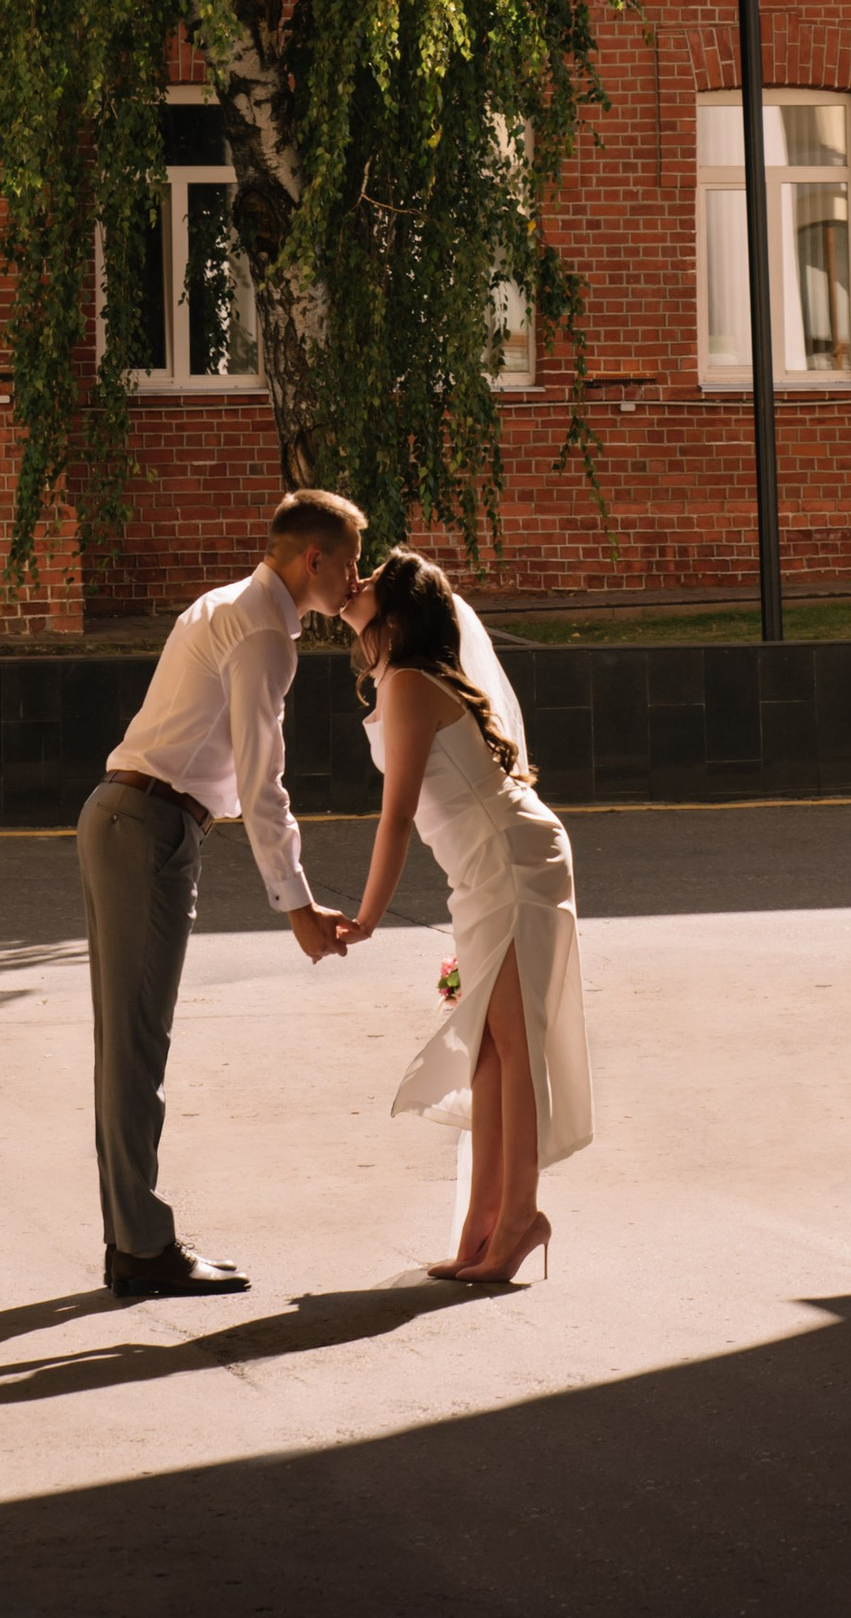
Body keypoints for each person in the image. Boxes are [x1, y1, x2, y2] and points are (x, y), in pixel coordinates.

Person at [77, 488, 366, 1297]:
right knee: (136, 1046)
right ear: (313, 558)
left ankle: (132, 1238)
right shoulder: (266, 635)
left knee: (124, 1045)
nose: (355, 579)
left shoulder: (222, 604)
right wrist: (299, 908)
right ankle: (140, 1247)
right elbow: (261, 782)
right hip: (148, 827)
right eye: (347, 563)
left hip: (122, 814)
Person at [340, 544, 592, 1286]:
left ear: (396, 613)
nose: (354, 585)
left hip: (513, 864)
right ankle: (484, 1225)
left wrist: (367, 915)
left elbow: (395, 818)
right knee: (487, 1049)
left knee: (513, 1045)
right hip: (483, 871)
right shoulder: (400, 679)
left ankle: (521, 1218)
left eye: (370, 580)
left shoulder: (413, 683)